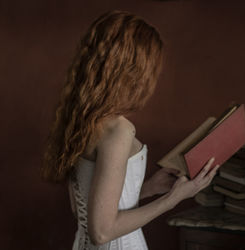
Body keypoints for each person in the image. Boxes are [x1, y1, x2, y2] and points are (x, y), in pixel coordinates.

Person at [41, 10, 219, 250]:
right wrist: (173, 198)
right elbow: (102, 232)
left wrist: (148, 189)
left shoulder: (80, 119)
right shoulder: (119, 130)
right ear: (132, 70)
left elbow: (82, 211)